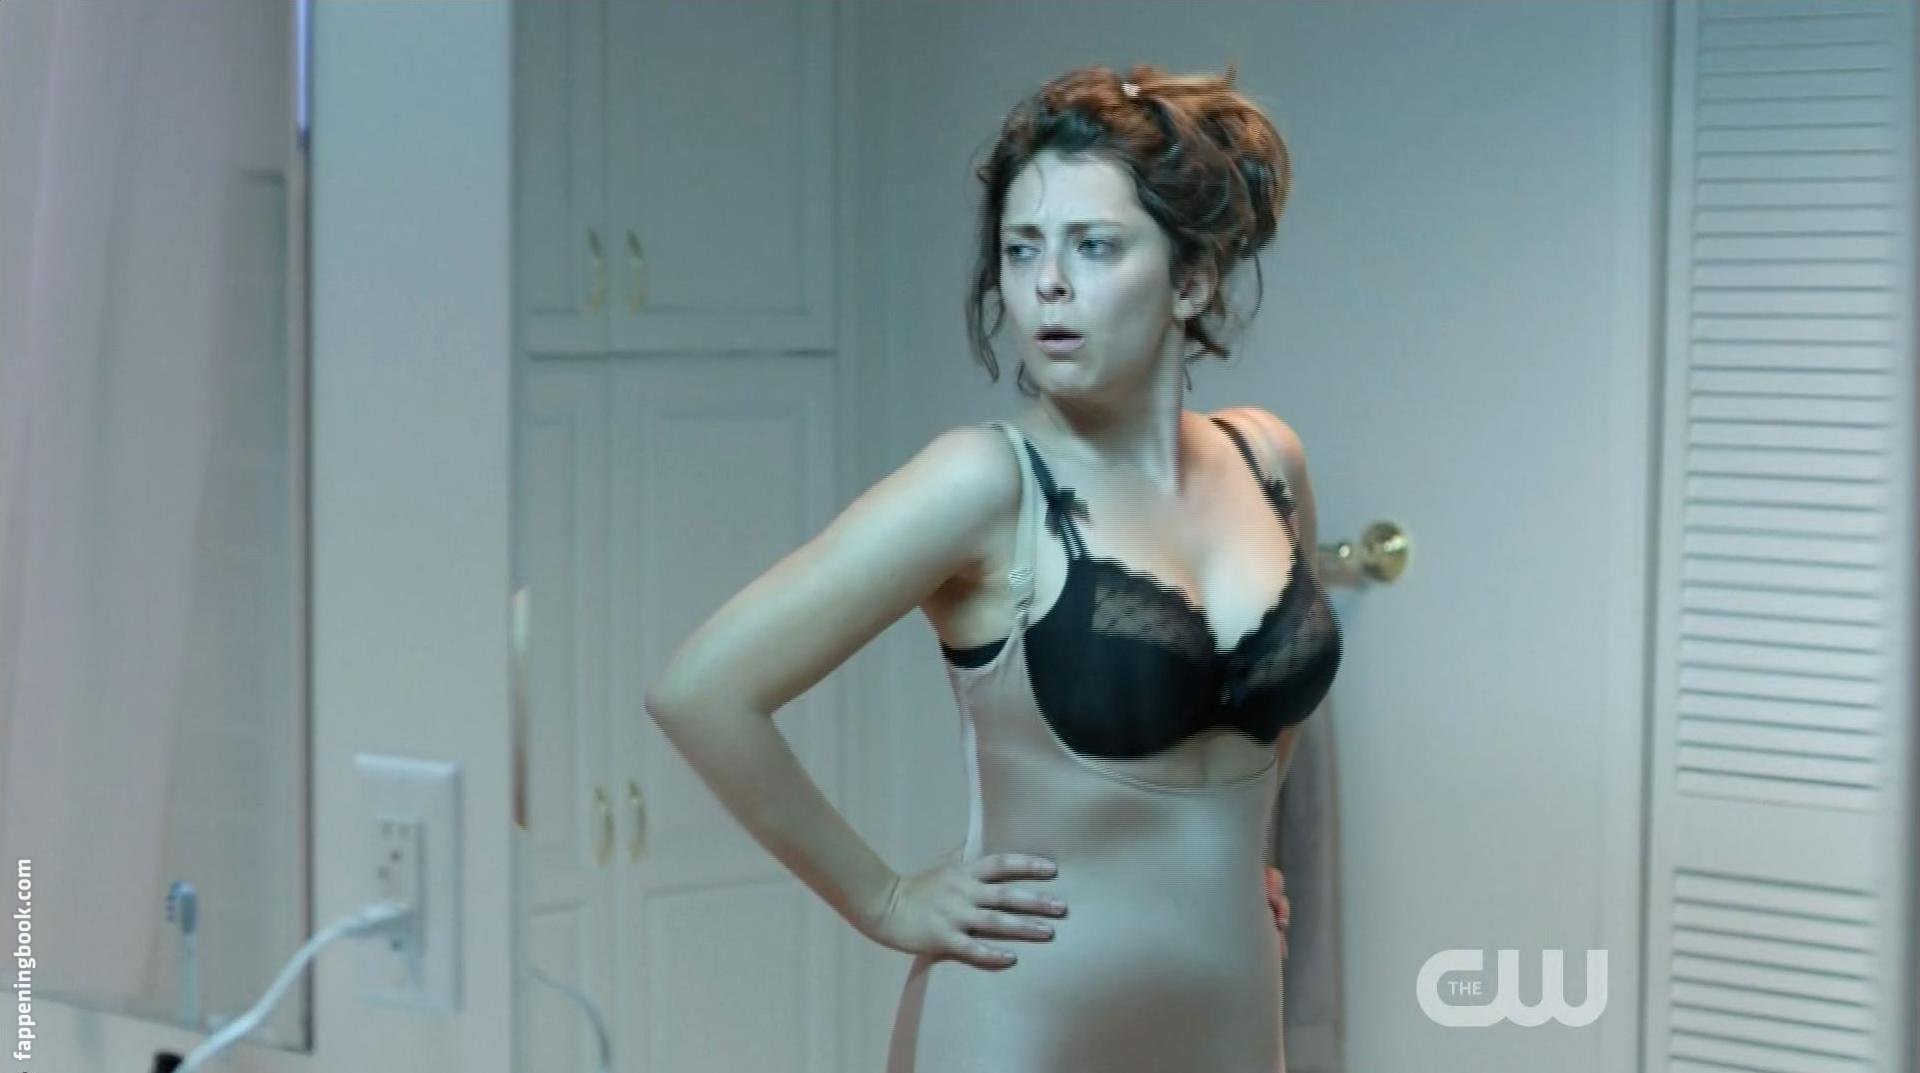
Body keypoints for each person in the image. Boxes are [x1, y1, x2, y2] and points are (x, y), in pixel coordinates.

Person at [644, 61, 1339, 1072]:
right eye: (1021, 249)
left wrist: (1245, 847)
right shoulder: (984, 483)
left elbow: (1274, 710)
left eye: (1093, 245)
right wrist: (887, 898)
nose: (1046, 282)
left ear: (1191, 281)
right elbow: (701, 690)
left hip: (1232, 1011)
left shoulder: (1268, 459)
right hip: (1024, 1026)